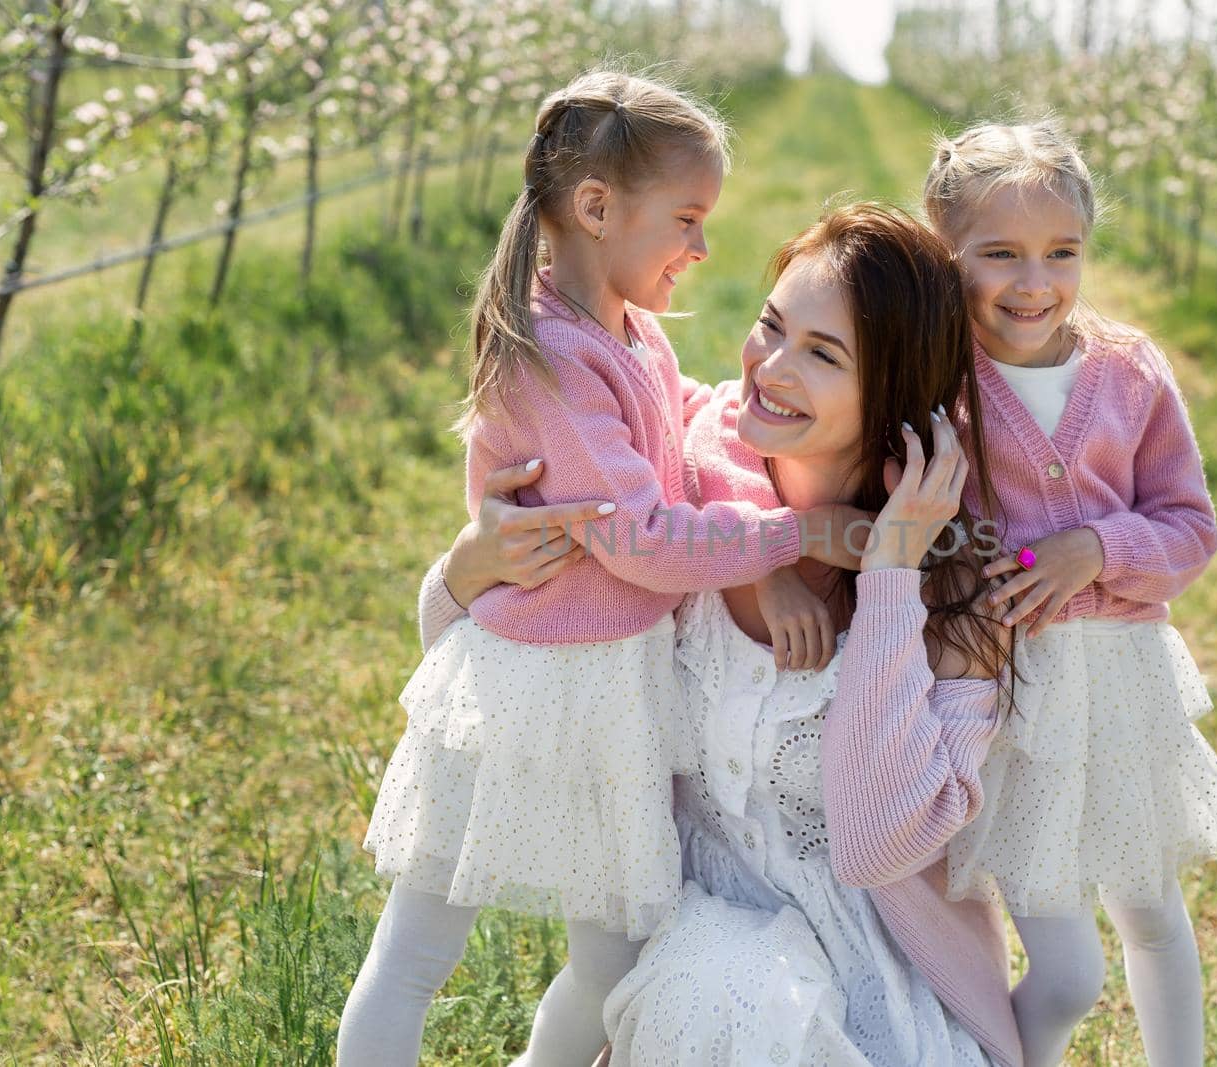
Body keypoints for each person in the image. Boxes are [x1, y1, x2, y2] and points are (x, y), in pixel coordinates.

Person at [337, 71, 863, 1067]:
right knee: (418, 948)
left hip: (615, 692)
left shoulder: (635, 338)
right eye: (688, 218)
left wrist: (765, 473)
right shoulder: (551, 358)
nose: (703, 248)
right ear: (595, 207)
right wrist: (799, 536)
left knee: (615, 957)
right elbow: (643, 537)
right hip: (530, 686)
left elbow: (694, 423)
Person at [422, 204, 1028, 1066]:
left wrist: (892, 571)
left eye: (822, 354)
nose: (768, 369)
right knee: (723, 983)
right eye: (771, 326)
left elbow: (875, 843)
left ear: (894, 391)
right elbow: (466, 660)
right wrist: (469, 567)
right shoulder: (673, 504)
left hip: (880, 981)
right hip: (692, 957)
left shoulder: (958, 584)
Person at [922, 119, 1217, 1067]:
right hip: (1009, 702)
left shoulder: (1130, 371)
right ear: (946, 252)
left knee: (1153, 912)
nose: (1035, 283)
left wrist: (1095, 548)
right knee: (1068, 972)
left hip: (1120, 688)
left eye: (1060, 253)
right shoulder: (942, 384)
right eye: (1000, 255)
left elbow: (1190, 527)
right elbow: (912, 535)